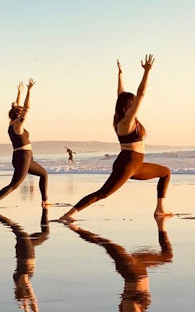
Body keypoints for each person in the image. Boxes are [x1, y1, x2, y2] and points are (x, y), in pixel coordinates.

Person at [59, 56, 172, 222]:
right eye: (132, 104)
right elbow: (141, 94)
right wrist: (147, 72)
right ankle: (68, 215)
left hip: (135, 164)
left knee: (165, 173)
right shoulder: (126, 122)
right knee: (102, 193)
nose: (135, 106)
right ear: (129, 106)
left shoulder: (121, 117)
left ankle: (160, 209)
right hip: (128, 164)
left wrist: (120, 75)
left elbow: (120, 95)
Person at [0, 79, 48, 209]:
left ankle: (45, 201)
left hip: (24, 157)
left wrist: (19, 92)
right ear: (18, 115)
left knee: (44, 174)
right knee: (14, 185)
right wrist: (29, 91)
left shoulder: (12, 124)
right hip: (23, 157)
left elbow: (17, 107)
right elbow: (27, 108)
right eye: (20, 112)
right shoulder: (18, 126)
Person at [0, 207, 50, 312]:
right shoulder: (19, 282)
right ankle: (45, 209)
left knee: (16, 228)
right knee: (45, 234)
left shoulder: (23, 281)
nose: (30, 291)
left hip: (26, 252)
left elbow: (32, 300)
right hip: (25, 250)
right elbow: (29, 302)